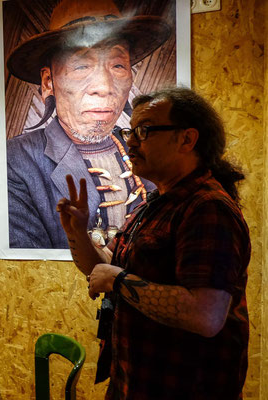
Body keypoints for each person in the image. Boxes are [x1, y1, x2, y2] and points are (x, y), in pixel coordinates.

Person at [57, 87, 250, 399]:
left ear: (187, 140)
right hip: (134, 384)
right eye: (129, 131)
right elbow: (102, 268)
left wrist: (117, 281)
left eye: (144, 131)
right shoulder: (157, 202)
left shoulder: (207, 207)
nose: (130, 142)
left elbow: (206, 316)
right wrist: (78, 231)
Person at [6, 0, 172, 249]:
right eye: (81, 65)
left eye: (118, 65)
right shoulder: (16, 159)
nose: (104, 87)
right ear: (49, 82)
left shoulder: (145, 150)